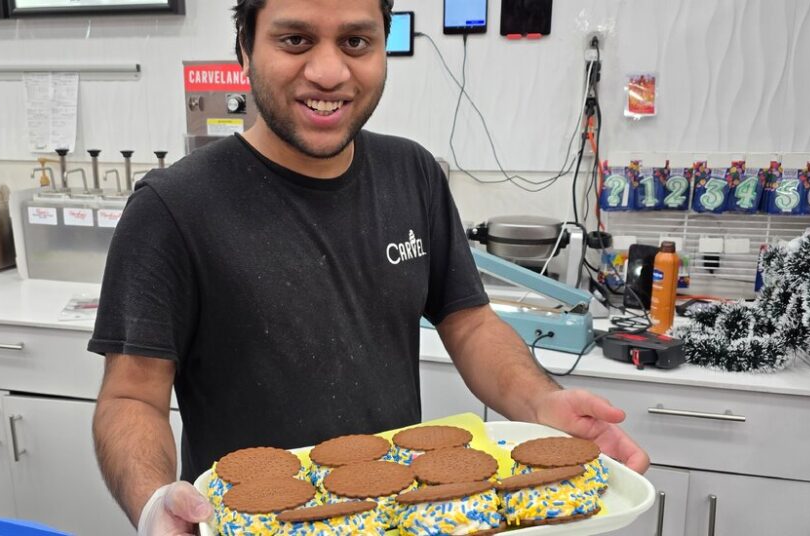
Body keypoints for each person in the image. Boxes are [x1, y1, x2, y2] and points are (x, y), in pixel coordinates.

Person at [89, 0, 650, 534]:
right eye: (295, 39)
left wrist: (542, 402)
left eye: (356, 41)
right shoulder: (173, 209)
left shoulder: (414, 174)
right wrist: (154, 505)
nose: (329, 72)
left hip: (407, 516)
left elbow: (470, 323)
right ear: (244, 47)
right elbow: (131, 398)